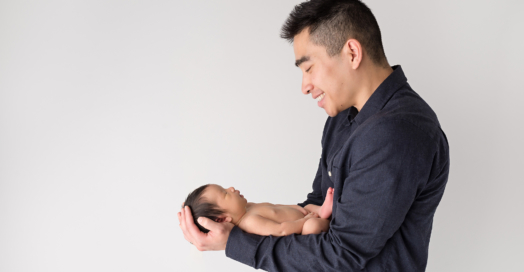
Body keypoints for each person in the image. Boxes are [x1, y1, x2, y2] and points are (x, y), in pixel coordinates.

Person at [178, 0, 450, 271]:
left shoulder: (396, 132)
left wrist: (235, 243)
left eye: (308, 68)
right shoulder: (342, 117)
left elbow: (341, 255)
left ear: (352, 53)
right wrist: (255, 219)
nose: (304, 86)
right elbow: (319, 202)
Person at [184, 184, 335, 236]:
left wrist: (296, 208)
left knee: (307, 206)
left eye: (224, 187)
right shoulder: (250, 223)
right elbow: (280, 230)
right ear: (223, 219)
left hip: (305, 214)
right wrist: (303, 222)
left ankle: (323, 211)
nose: (230, 188)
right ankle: (326, 220)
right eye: (225, 193)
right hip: (303, 228)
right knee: (312, 227)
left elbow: (276, 207)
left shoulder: (249, 207)